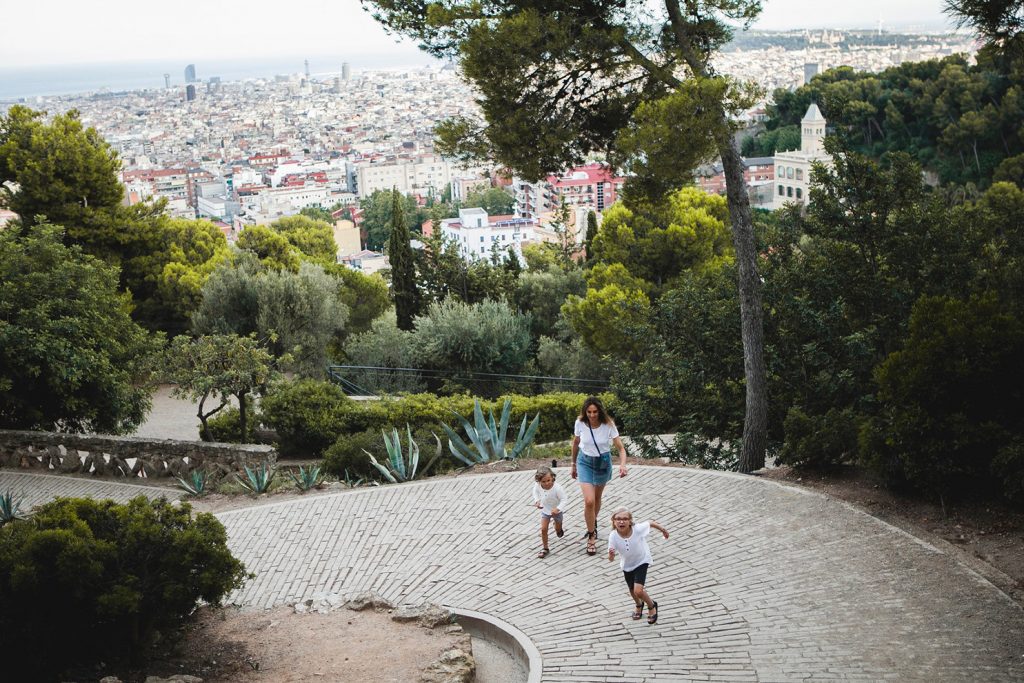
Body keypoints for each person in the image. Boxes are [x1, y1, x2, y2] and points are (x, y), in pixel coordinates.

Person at [571, 396, 627, 556]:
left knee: (596, 498)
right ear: (585, 412)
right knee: (589, 501)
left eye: (595, 412)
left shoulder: (608, 424)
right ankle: (591, 536)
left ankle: (592, 523)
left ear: (600, 411)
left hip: (603, 463)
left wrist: (622, 465)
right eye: (589, 412)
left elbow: (621, 448)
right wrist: (573, 464)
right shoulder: (580, 422)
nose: (592, 415)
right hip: (585, 462)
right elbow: (576, 443)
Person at [607, 507, 669, 625]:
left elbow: (650, 523)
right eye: (618, 519)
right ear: (613, 521)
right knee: (632, 590)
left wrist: (663, 530)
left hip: (642, 561)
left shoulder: (637, 529)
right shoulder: (613, 536)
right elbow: (610, 559)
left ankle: (651, 606)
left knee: (638, 590)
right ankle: (639, 604)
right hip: (627, 565)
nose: (621, 522)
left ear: (630, 521)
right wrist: (611, 555)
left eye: (625, 519)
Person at [531, 465, 566, 558]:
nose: (546, 483)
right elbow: (535, 492)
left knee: (558, 530)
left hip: (557, 511)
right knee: (543, 529)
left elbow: (564, 499)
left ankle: (558, 528)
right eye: (543, 481)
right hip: (545, 510)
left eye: (548, 480)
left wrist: (558, 508)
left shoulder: (557, 488)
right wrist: (537, 500)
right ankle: (545, 548)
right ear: (538, 481)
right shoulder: (537, 486)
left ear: (552, 478)